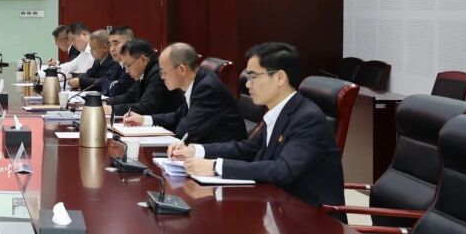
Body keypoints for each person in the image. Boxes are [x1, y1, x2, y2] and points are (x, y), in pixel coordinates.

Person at [171, 42, 344, 208]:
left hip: (308, 218)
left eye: (253, 76)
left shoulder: (307, 118)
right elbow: (246, 150)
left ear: (280, 78)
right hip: (275, 206)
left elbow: (282, 170)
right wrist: (195, 151)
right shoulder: (281, 112)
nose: (248, 84)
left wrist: (215, 167)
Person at [122, 43, 244, 142]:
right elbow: (178, 116)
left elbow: (185, 131)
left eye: (163, 72)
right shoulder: (198, 81)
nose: (162, 77)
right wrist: (144, 119)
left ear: (181, 69)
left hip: (222, 157)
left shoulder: (207, 88)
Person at [108, 38, 182, 116]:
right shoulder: (144, 72)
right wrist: (105, 102)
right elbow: (129, 96)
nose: (127, 71)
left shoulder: (158, 73)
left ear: (143, 59)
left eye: (128, 65)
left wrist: (112, 109)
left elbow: (146, 107)